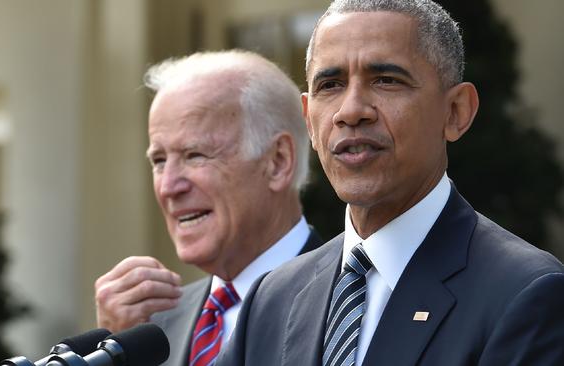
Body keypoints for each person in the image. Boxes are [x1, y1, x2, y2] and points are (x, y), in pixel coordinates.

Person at [217, 1, 564, 366]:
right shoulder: (270, 300)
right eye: (330, 84)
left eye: (386, 80)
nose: (350, 111)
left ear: (456, 111)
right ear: (307, 120)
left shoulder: (525, 294)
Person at [94, 50, 323, 366]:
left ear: (277, 162)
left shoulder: (349, 304)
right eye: (159, 161)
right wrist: (116, 354)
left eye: (195, 155)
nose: (169, 186)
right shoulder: (149, 328)